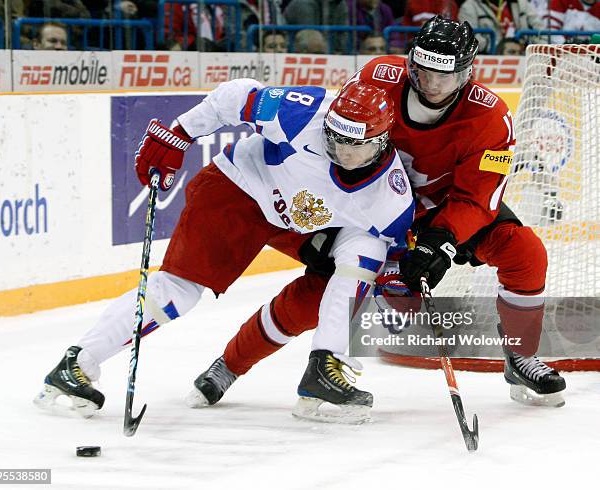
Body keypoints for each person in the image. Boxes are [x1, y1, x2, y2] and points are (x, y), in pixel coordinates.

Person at [191, 16, 567, 420]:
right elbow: (332, 138)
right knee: (317, 296)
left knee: (525, 253)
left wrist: (439, 240)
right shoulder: (374, 78)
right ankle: (230, 364)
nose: (433, 85)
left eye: (446, 76)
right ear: (410, 64)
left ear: (467, 73)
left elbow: (477, 199)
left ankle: (521, 355)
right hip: (365, 208)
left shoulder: (492, 119)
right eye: (423, 72)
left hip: (442, 211)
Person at [34, 78, 415, 424]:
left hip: (297, 221)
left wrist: (401, 278)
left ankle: (325, 366)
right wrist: (180, 134)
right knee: (178, 292)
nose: (342, 153)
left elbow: (393, 255)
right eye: (335, 140)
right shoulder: (304, 111)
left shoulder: (392, 196)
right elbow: (234, 97)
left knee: (367, 252)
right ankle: (76, 363)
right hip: (238, 190)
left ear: (382, 141)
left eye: (355, 145)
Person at [458, 0, 544, 53]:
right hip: (489, 55)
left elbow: (541, 31)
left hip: (522, 53)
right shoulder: (469, 6)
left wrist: (532, 49)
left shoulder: (522, 3)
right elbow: (469, 38)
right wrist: (497, 48)